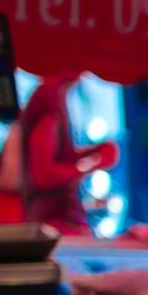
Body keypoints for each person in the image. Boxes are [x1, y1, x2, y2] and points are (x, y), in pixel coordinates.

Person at [14, 76, 119, 236]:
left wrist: (95, 153)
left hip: (57, 219)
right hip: (51, 221)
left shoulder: (59, 101)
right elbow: (42, 175)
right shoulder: (50, 114)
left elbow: (58, 160)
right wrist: (89, 164)